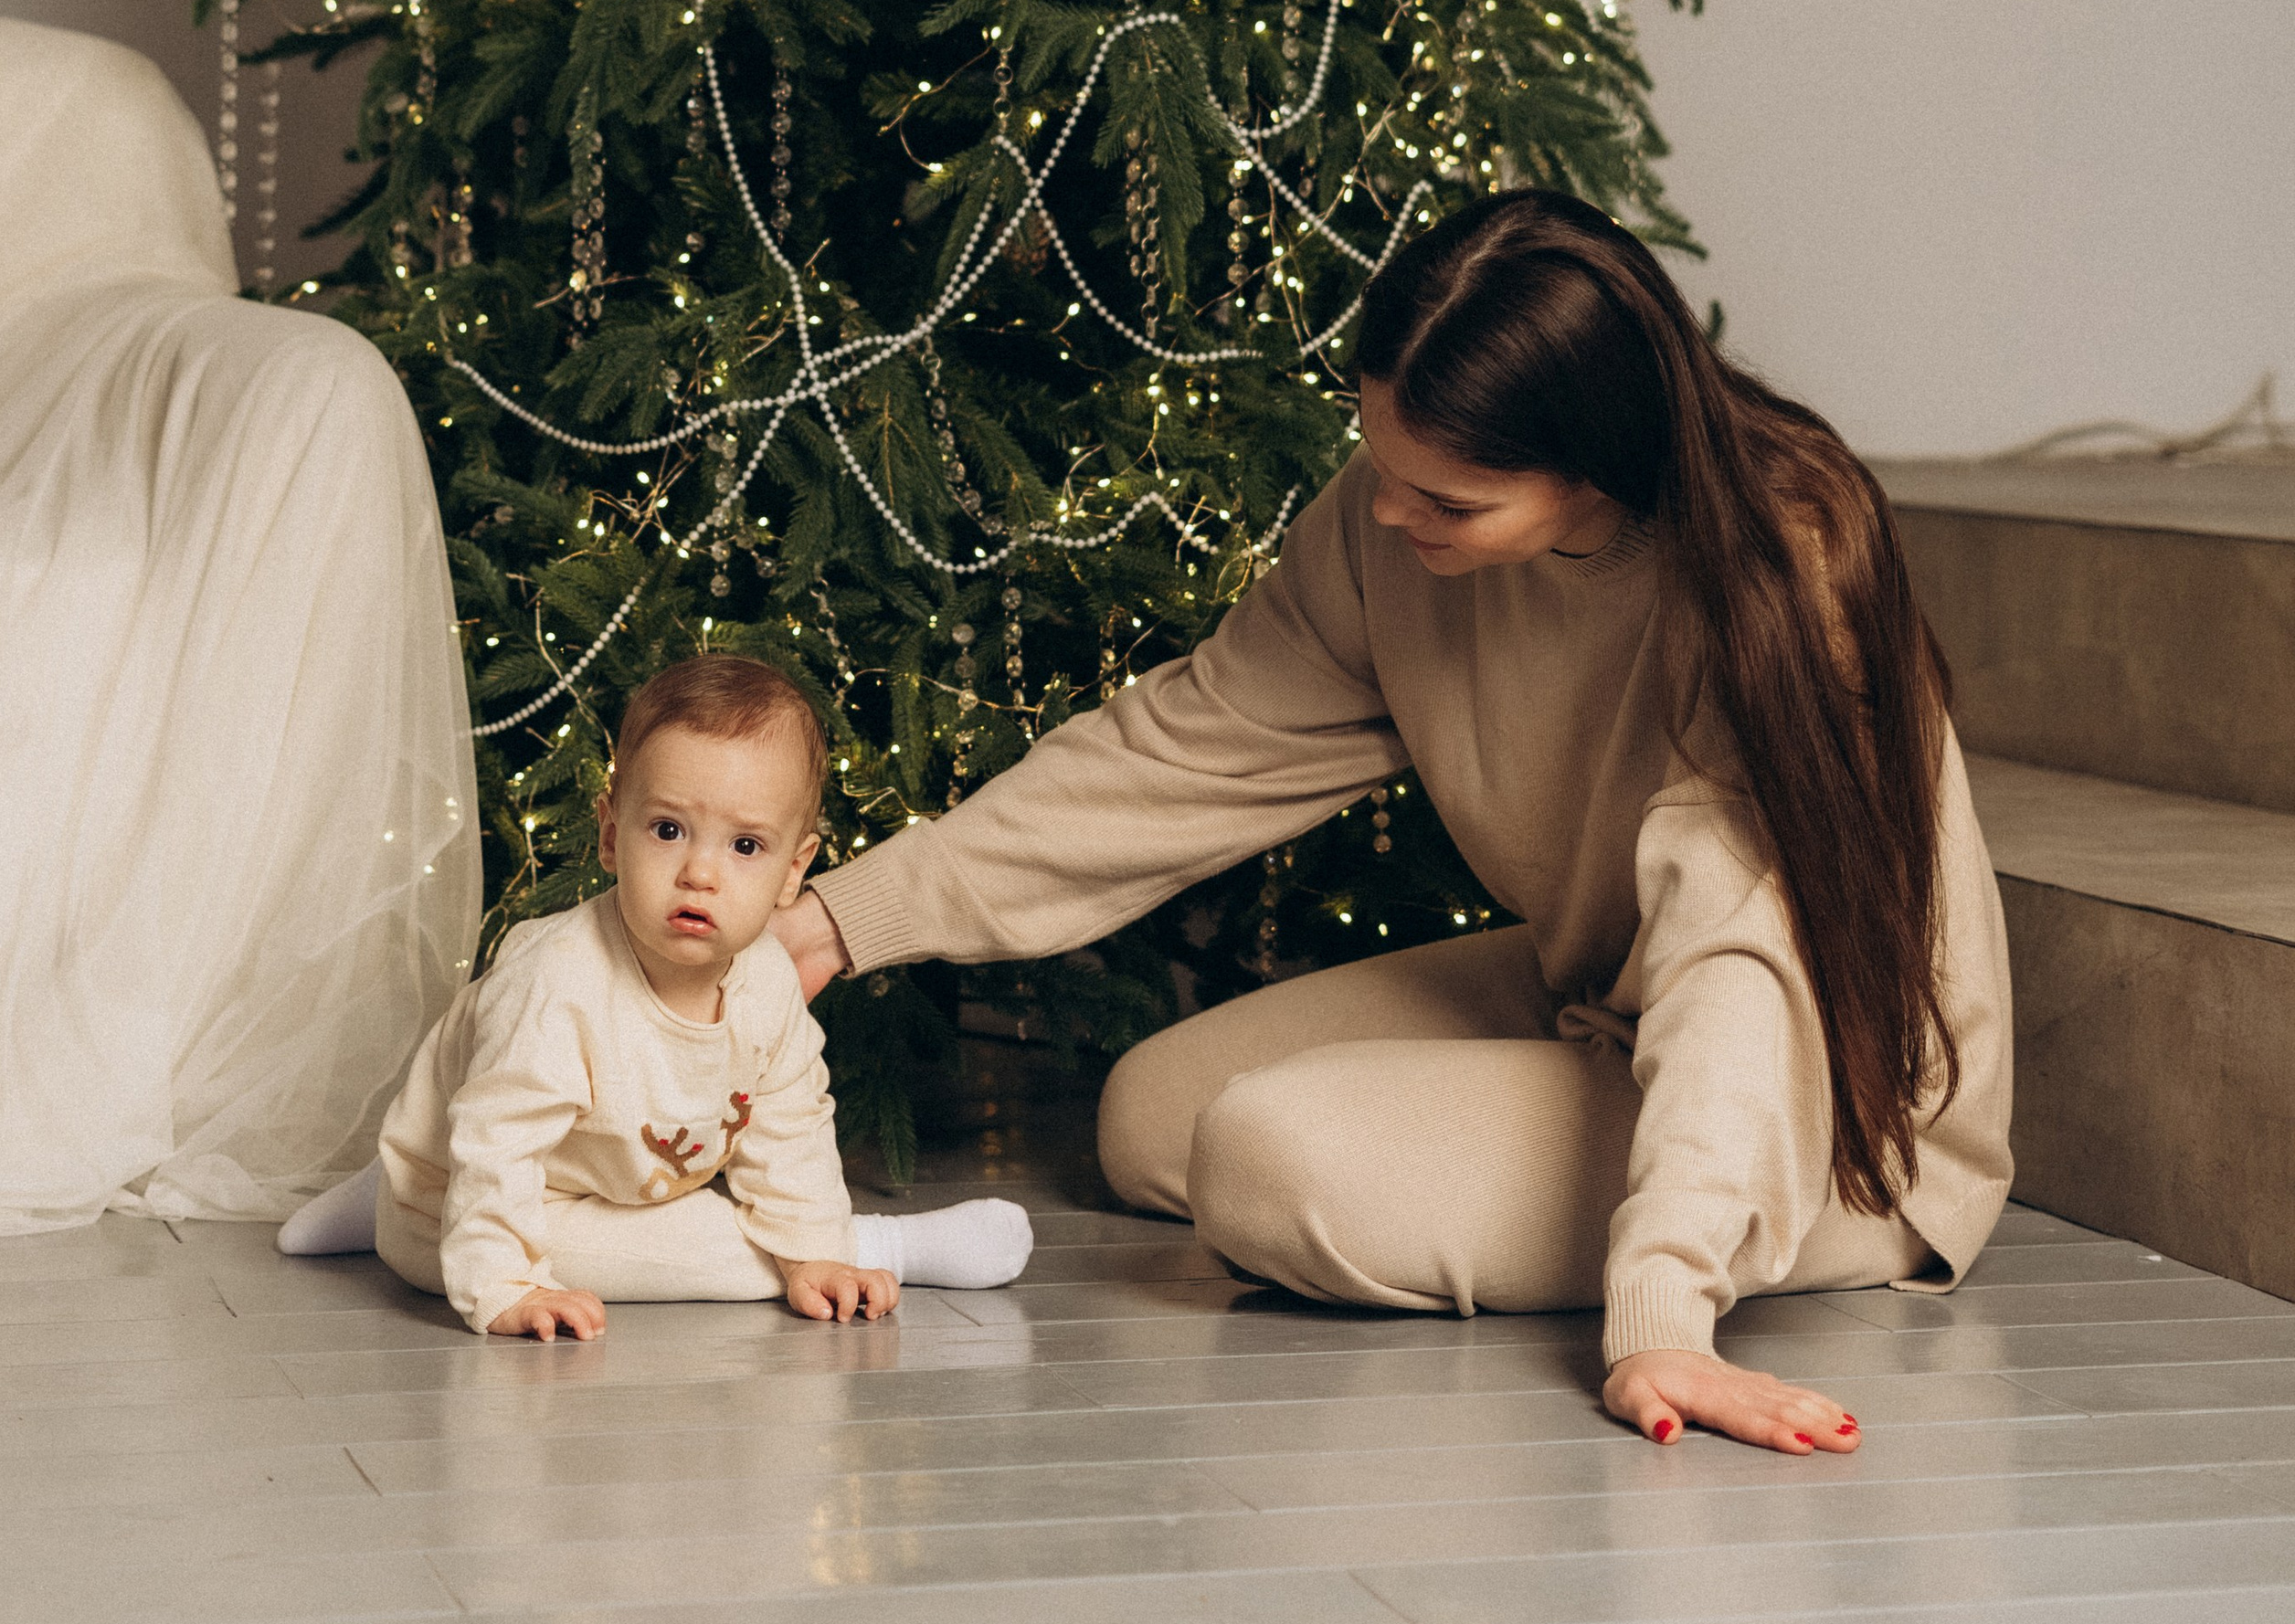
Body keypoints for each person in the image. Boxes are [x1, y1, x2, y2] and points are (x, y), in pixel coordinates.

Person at [776, 191, 2012, 1455]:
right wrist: (837, 924)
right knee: (1152, 1117)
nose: (1387, 515)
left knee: (1266, 1161)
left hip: (1832, 1094)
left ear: (1592, 461)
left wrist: (1664, 1311)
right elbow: (1182, 750)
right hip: (1610, 990)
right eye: (1382, 464)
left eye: (1449, 500)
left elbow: (1744, 961)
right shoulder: (1401, 528)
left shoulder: (1776, 575)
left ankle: (1762, 1221)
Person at [279, 654, 1030, 1328]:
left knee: (756, 1222)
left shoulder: (766, 980)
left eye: (745, 846)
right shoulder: (559, 985)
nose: (700, 872)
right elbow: (501, 1143)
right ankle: (885, 1245)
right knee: (703, 1247)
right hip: (477, 1198)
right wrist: (504, 1285)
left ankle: (390, 1173)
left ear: (794, 870)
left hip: (599, 1177)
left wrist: (812, 1251)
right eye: (667, 830)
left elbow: (790, 1127)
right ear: (611, 834)